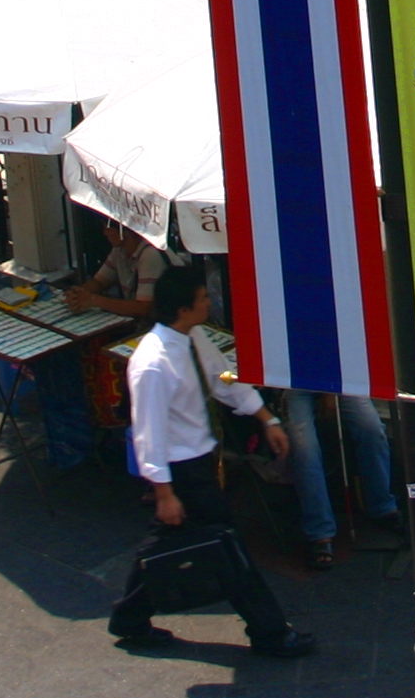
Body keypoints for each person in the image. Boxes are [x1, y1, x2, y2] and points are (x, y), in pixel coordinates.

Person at [111, 268, 313, 657]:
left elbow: (224, 382)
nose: (209, 303)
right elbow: (148, 434)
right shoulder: (152, 364)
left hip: (199, 463)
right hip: (183, 472)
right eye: (203, 298)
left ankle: (129, 618)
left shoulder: (194, 339)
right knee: (229, 551)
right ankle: (270, 632)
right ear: (185, 308)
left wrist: (265, 418)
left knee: (164, 544)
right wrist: (164, 492)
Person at [274, 388, 398, 573]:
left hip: (343, 378)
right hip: (296, 380)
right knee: (304, 449)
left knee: (372, 430)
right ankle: (319, 532)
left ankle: (382, 506)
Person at [65, 220, 166, 321]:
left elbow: (143, 308)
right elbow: (100, 281)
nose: (105, 233)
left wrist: (93, 300)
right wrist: (77, 295)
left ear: (124, 231)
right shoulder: (119, 250)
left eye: (108, 228)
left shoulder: (150, 254)